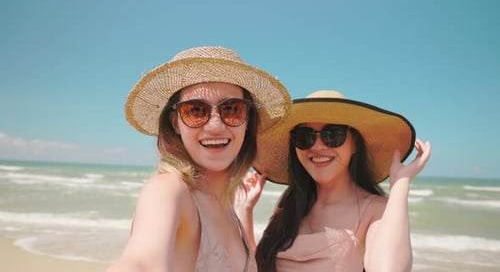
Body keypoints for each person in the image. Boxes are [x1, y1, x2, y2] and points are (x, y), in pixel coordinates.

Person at [107, 46, 291, 272]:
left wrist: (245, 211)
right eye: (195, 110)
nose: (215, 125)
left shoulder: (229, 212)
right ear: (175, 122)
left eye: (232, 109)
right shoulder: (168, 190)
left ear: (247, 120)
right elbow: (141, 263)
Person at [235, 90, 431, 272]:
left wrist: (400, 184)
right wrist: (245, 211)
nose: (318, 146)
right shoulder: (290, 207)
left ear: (354, 144)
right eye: (305, 137)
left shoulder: (374, 210)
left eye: (333, 135)